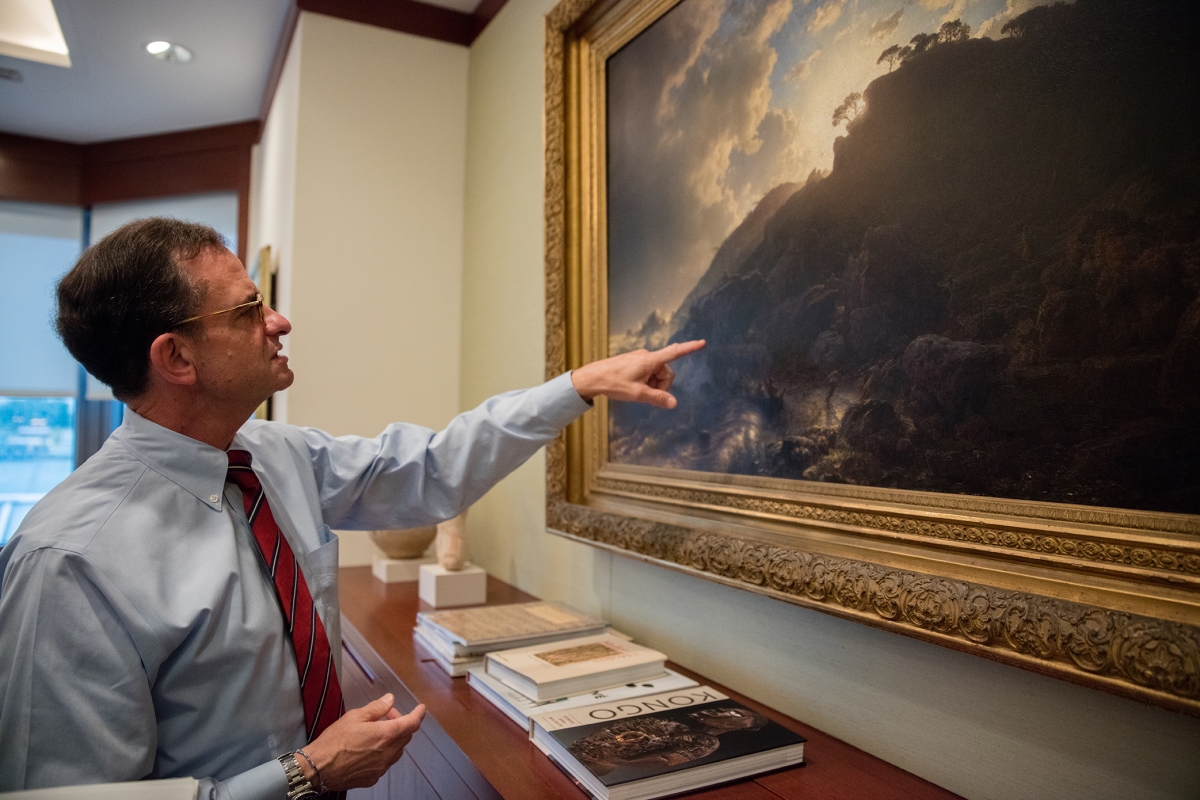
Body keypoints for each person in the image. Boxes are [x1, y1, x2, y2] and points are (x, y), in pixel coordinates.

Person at [0, 218, 704, 799]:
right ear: (176, 357)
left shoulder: (276, 457)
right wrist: (302, 776)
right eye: (248, 310)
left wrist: (578, 384)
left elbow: (431, 471)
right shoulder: (67, 559)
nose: (279, 320)